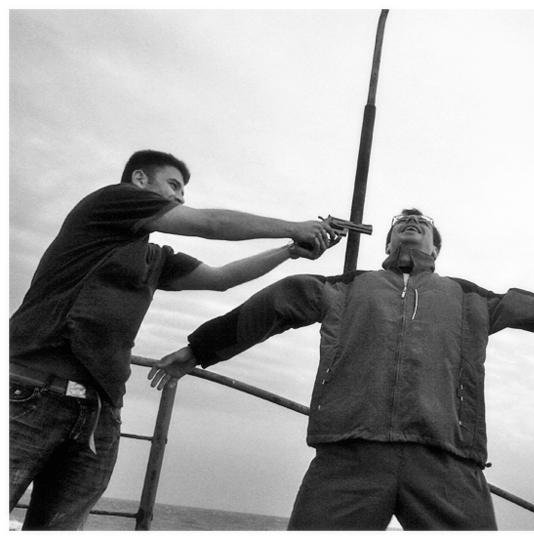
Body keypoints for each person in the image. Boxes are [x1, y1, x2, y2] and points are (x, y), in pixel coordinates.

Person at [149, 208, 534, 531]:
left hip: (447, 461)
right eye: (402, 223)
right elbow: (273, 305)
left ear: (435, 247)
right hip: (348, 456)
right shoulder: (343, 289)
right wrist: (197, 350)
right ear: (387, 243)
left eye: (422, 224)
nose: (410, 223)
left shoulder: (473, 300)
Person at [9, 149, 340, 530]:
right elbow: (209, 223)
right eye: (173, 185)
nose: (181, 197)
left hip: (99, 412)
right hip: (31, 388)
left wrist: (289, 251)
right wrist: (293, 227)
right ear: (139, 180)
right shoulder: (110, 201)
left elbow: (221, 278)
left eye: (183, 191)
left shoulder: (155, 258)